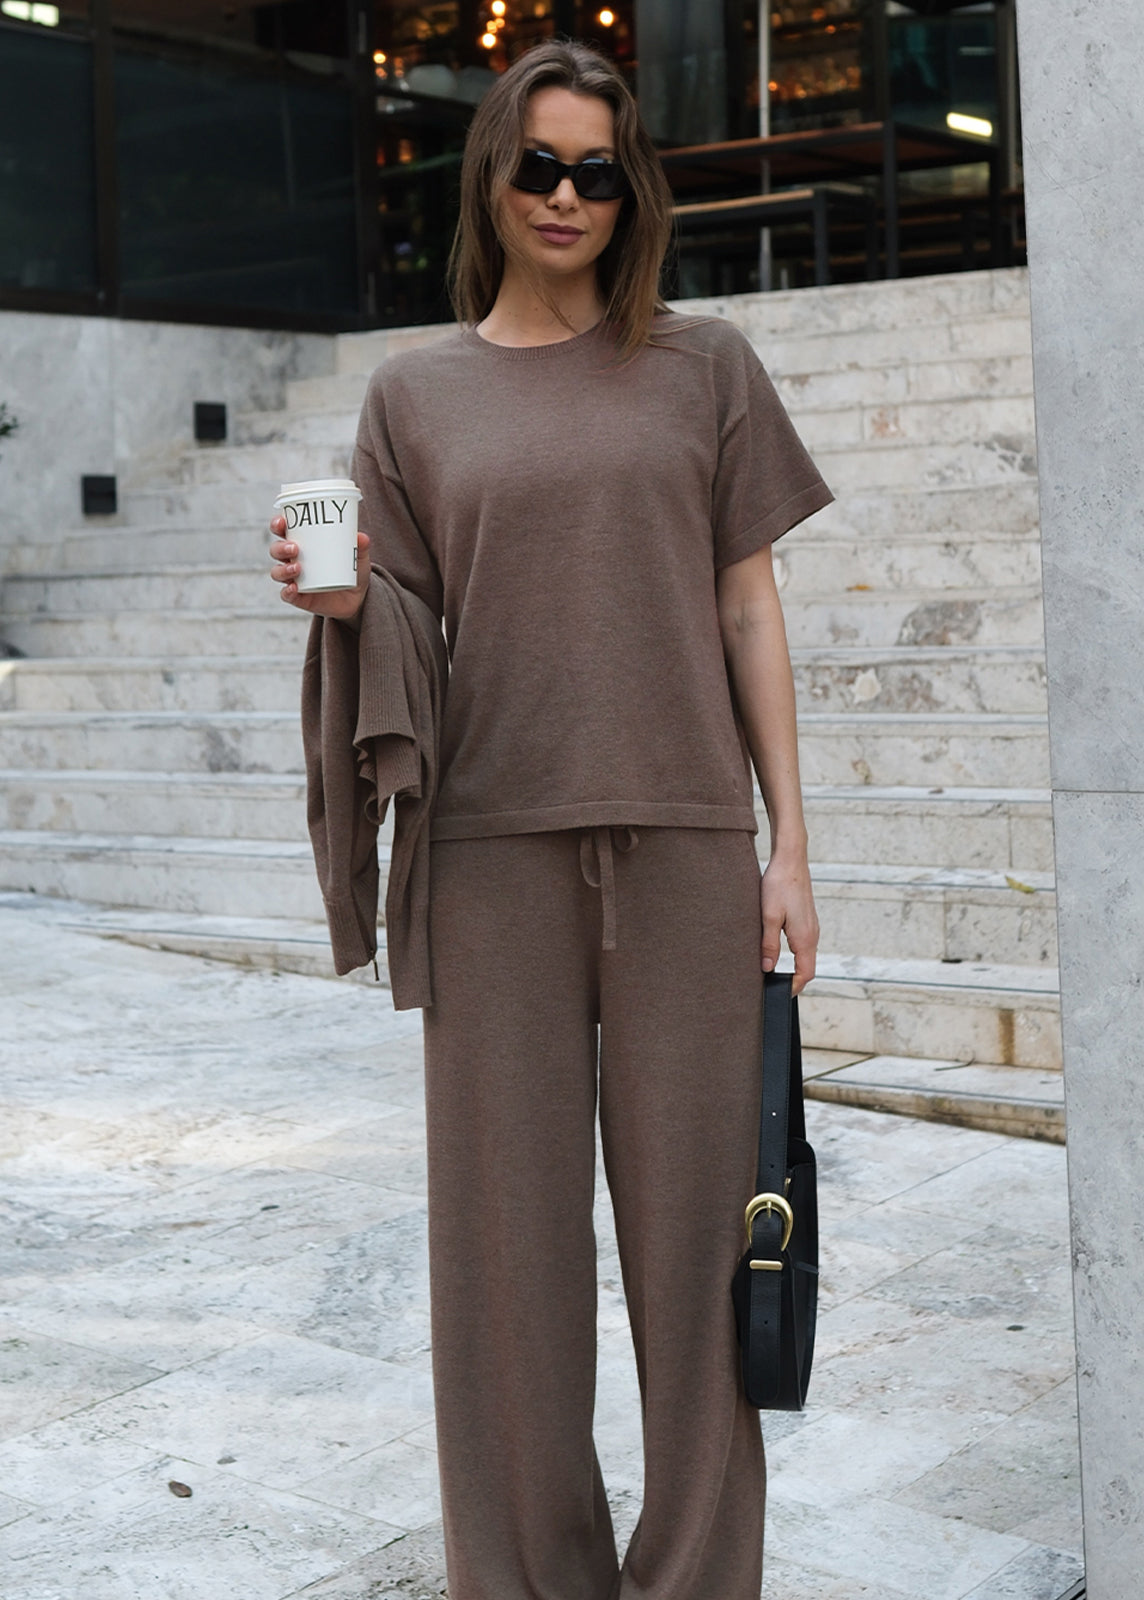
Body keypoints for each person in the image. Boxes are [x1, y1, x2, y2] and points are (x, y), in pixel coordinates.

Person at [269, 37, 831, 1600]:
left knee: (701, 1243)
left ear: (628, 184)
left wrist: (790, 845)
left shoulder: (703, 365)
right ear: (492, 181)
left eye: (597, 167)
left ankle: (699, 1577)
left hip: (683, 846)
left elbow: (748, 612)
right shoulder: (415, 394)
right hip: (495, 856)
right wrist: (337, 598)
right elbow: (401, 625)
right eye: (538, 165)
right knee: (506, 1265)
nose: (568, 195)